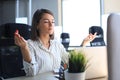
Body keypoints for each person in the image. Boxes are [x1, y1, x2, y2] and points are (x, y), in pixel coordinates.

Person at [14, 8, 97, 76]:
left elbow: (70, 61)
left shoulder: (56, 43)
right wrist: (24, 48)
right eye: (46, 21)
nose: (51, 24)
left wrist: (84, 43)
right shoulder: (30, 44)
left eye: (53, 22)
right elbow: (31, 73)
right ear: (37, 25)